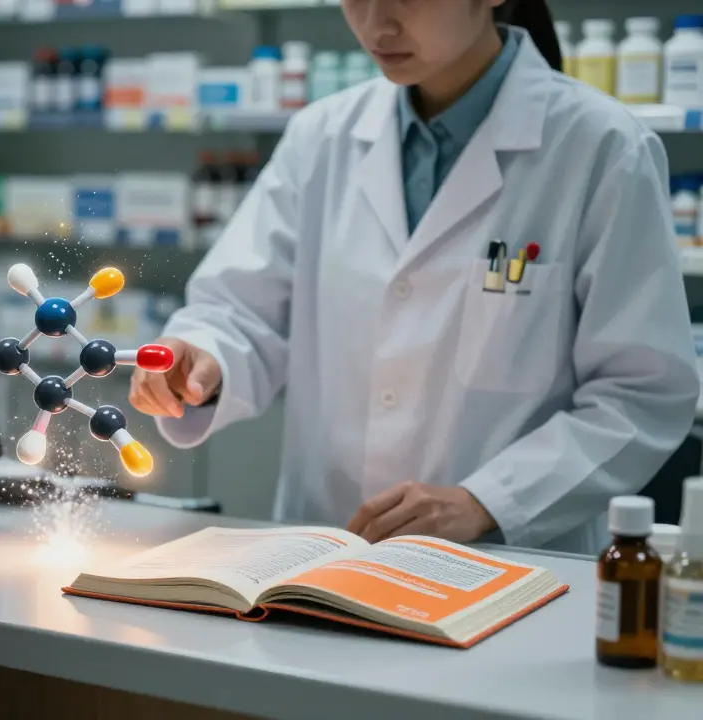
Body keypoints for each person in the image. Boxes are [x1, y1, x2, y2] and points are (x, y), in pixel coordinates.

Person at [130, 0, 701, 555]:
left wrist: (487, 502)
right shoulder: (321, 137)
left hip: (512, 567)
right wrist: (203, 358)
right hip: (324, 554)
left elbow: (640, 392)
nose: (378, 23)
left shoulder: (601, 147)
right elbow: (240, 311)